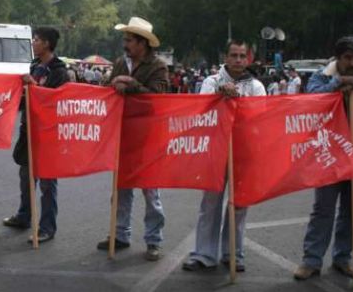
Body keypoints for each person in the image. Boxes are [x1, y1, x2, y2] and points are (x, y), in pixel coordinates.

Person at [183, 39, 266, 273]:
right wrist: (220, 96)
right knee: (210, 203)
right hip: (215, 149)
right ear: (226, 57)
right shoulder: (211, 82)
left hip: (244, 150)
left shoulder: (257, 86)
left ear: (248, 58)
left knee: (239, 204)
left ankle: (233, 254)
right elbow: (201, 108)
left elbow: (260, 117)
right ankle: (203, 254)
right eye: (234, 55)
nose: (238, 60)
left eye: (242, 56)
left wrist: (238, 102)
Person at [293, 36, 353, 281]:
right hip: (329, 154)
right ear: (338, 59)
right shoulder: (322, 76)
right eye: (348, 58)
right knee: (323, 209)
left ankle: (342, 258)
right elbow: (312, 99)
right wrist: (339, 83)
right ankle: (311, 260)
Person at [97, 17, 169, 261]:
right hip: (123, 134)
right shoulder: (120, 63)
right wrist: (112, 83)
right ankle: (119, 235)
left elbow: (158, 96)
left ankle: (153, 241)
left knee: (151, 193)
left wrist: (131, 84)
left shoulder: (158, 66)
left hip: (148, 136)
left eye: (129, 40)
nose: (125, 44)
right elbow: (108, 90)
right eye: (125, 39)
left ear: (143, 43)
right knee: (121, 189)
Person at [3, 27, 69, 244]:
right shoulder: (34, 66)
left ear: (48, 44)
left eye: (38, 39)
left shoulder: (59, 71)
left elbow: (55, 100)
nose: (33, 42)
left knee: (48, 183)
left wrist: (33, 87)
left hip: (49, 132)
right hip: (28, 129)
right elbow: (28, 98)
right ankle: (24, 216)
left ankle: (47, 227)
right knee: (26, 176)